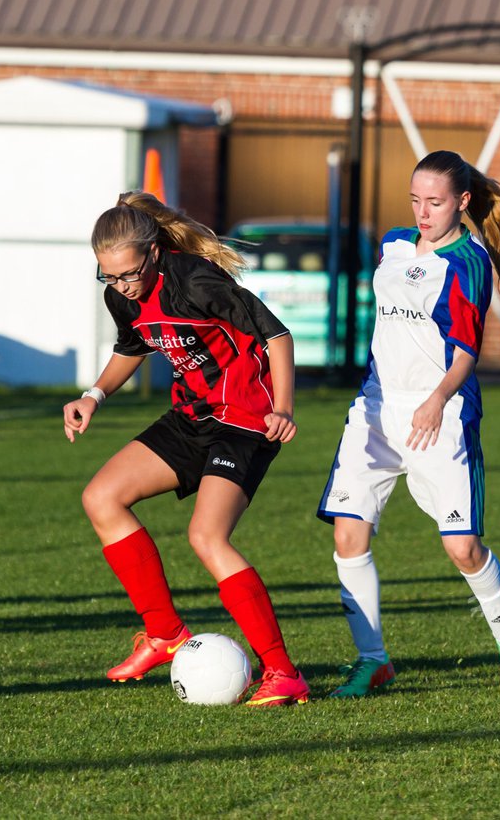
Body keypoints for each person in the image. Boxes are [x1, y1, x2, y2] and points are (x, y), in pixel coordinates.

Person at [62, 191, 309, 707]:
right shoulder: (120, 296)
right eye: (109, 277)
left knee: (206, 536)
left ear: (153, 253)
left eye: (129, 274)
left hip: (244, 421)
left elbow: (276, 336)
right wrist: (93, 396)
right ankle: (164, 634)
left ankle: (283, 673)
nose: (122, 286)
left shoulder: (197, 281)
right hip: (192, 417)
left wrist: (282, 407)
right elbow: (133, 346)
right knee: (101, 498)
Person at [317, 150, 500, 699]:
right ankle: (373, 661)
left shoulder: (469, 262)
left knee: (463, 548)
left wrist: (437, 398)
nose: (422, 212)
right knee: (349, 535)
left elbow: (466, 352)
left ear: (462, 203)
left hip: (441, 410)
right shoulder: (392, 245)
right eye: (415, 200)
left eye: (434, 202)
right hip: (376, 408)